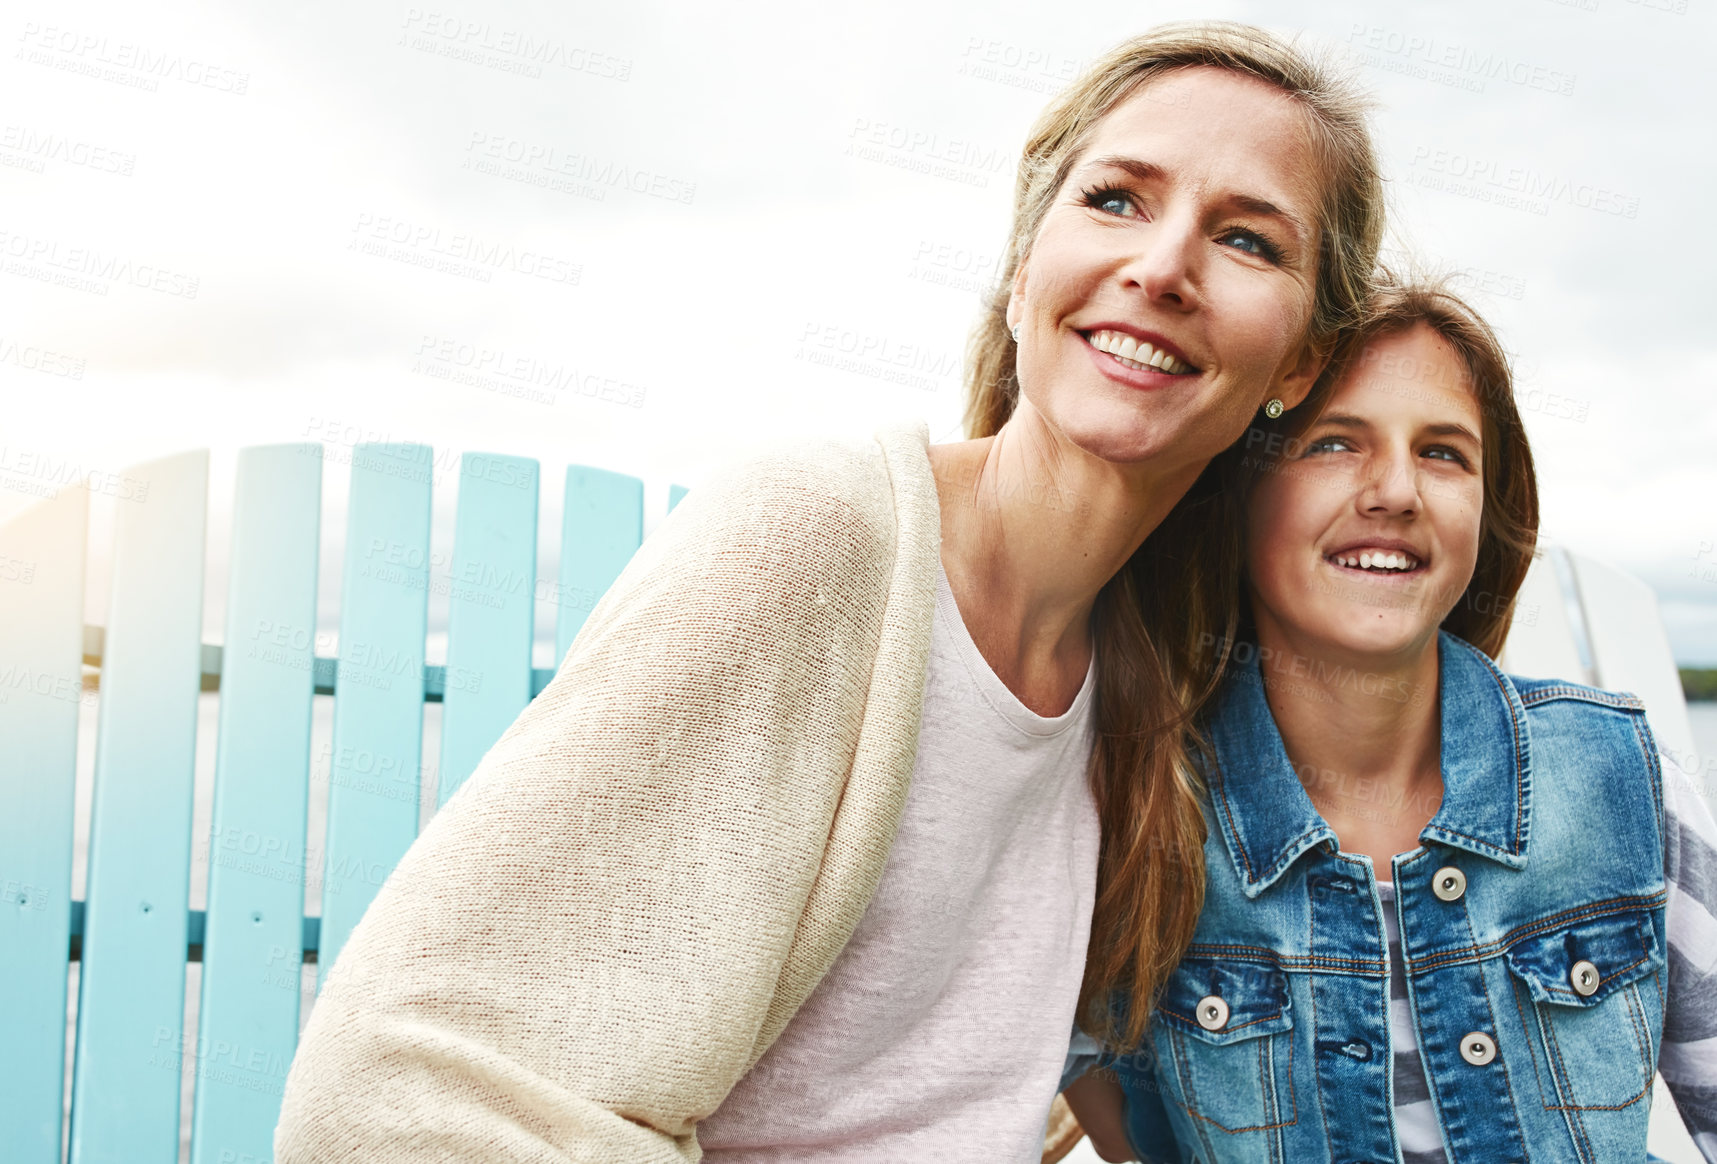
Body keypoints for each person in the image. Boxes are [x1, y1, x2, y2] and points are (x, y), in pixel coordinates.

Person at [274, 22, 1384, 1162]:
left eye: (1246, 239)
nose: (1159, 268)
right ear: (1019, 269)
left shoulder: (1146, 692)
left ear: (1297, 364)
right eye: (1113, 200)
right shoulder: (815, 540)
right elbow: (395, 1099)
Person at [1061, 277, 1717, 1162]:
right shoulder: (1140, 821)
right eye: (1332, 442)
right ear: (1237, 493)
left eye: (1444, 453)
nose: (1397, 490)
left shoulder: (1619, 779)